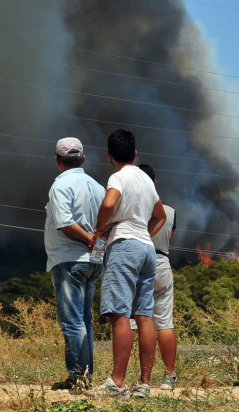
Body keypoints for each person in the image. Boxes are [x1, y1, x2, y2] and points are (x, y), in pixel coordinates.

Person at [88, 130, 167, 400]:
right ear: (135, 153)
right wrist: (145, 234)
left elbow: (109, 202)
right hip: (146, 249)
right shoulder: (146, 179)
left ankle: (117, 383)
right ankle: (144, 384)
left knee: (119, 314)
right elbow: (161, 215)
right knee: (144, 315)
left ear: (110, 156)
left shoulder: (118, 176)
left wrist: (100, 229)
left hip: (124, 246)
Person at [44, 137, 106, 391]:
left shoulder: (61, 186)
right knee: (85, 320)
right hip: (94, 262)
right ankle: (85, 376)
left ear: (57, 160)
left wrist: (89, 239)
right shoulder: (99, 187)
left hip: (70, 259)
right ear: (83, 158)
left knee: (72, 321)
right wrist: (97, 243)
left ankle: (77, 378)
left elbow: (66, 224)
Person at [129, 164, 178, 390]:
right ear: (155, 183)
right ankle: (169, 376)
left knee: (131, 322)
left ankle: (132, 375)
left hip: (138, 264)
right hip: (162, 263)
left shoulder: (130, 208)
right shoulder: (170, 212)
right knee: (164, 324)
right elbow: (169, 235)